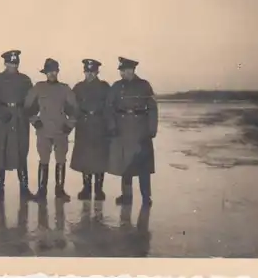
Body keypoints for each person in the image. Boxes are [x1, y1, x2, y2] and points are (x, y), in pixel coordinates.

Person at [0, 50, 36, 202]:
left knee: (21, 152)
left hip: (19, 120)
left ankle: (24, 189)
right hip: (1, 121)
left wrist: (29, 113)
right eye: (10, 63)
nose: (13, 65)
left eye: (15, 63)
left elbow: (32, 100)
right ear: (5, 63)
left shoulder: (25, 80)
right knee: (0, 151)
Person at [105, 57, 158, 207]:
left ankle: (146, 197)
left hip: (141, 130)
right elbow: (108, 107)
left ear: (132, 70)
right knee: (125, 164)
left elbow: (152, 108)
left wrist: (152, 129)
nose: (122, 74)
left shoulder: (144, 86)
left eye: (125, 71)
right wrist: (112, 126)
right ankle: (126, 196)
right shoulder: (116, 86)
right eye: (121, 71)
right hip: (123, 129)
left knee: (143, 166)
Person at [24, 58, 78, 202]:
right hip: (44, 130)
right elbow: (28, 107)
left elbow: (74, 109)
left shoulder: (65, 89)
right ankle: (42, 191)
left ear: (58, 72)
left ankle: (59, 191)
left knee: (61, 160)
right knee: (44, 160)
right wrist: (35, 122)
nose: (52, 74)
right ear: (45, 73)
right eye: (49, 71)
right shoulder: (38, 88)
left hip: (61, 131)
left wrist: (69, 125)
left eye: (54, 71)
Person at [70, 59, 111, 201]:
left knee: (100, 157)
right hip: (84, 125)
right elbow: (71, 107)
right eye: (87, 72)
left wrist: (110, 125)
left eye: (92, 72)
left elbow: (110, 107)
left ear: (97, 72)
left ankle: (99, 189)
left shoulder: (105, 87)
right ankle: (86, 188)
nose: (89, 74)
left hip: (100, 125)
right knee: (85, 157)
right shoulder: (78, 88)